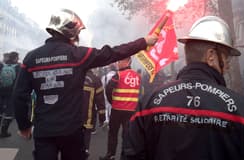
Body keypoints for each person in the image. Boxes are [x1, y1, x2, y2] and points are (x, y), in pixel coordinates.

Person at [121, 16, 244, 160]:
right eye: (226, 56)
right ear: (210, 56)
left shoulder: (148, 104)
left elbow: (130, 155)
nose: (228, 64)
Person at [13, 9, 158, 160]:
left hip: (44, 131)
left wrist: (24, 126)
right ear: (70, 31)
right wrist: (143, 42)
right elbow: (113, 52)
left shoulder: (31, 58)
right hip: (72, 131)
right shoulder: (78, 55)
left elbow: (19, 95)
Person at [100, 57, 141, 160]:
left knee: (113, 133)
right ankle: (125, 155)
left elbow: (108, 89)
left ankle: (111, 155)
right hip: (131, 110)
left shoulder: (118, 75)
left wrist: (111, 101)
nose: (118, 63)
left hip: (117, 109)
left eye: (120, 61)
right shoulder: (137, 76)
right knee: (127, 134)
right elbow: (140, 91)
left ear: (128, 62)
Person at [82, 68, 106, 159]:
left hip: (73, 118)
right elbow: (100, 102)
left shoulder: (74, 75)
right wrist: (102, 119)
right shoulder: (95, 80)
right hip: (87, 118)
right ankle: (85, 152)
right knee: (85, 144)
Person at [0, 51, 20, 138]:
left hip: (1, 90)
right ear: (15, 58)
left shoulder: (2, 65)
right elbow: (19, 80)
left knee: (0, 110)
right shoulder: (18, 67)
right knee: (9, 112)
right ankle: (4, 131)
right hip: (12, 91)